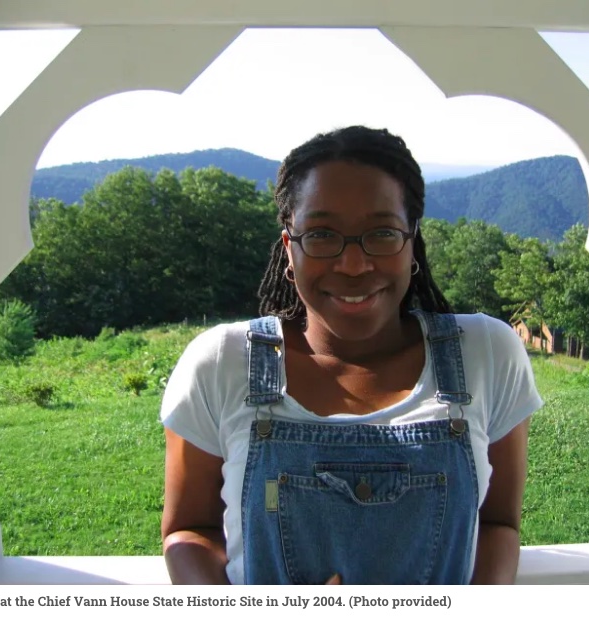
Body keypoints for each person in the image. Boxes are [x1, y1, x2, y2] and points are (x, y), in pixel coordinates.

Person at [160, 126, 543, 585]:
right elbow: (189, 530)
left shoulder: (486, 354)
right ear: (289, 247)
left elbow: (499, 524)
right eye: (322, 235)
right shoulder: (222, 363)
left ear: (411, 240)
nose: (354, 264)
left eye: (381, 233)